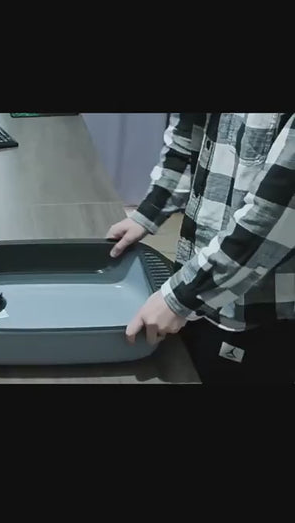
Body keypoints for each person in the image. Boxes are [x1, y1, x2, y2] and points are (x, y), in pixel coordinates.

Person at [106, 113, 295, 384]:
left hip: (259, 308)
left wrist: (182, 296)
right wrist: (148, 212)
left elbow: (272, 213)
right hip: (200, 281)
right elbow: (186, 138)